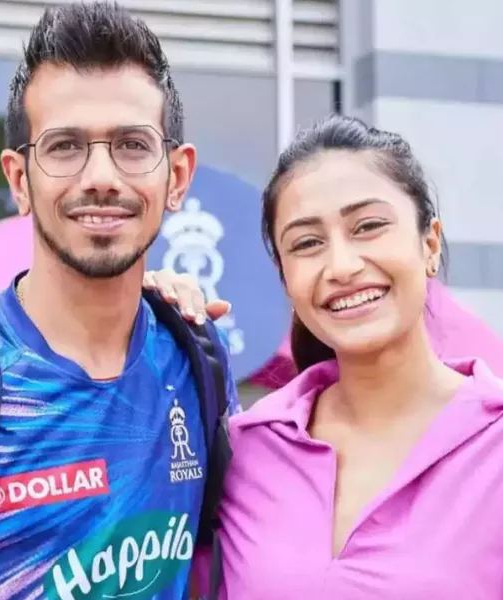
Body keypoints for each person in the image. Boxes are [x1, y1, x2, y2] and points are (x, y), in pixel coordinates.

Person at [0, 3, 239, 599]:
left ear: (178, 176)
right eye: (64, 146)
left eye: (132, 144)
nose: (101, 176)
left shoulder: (196, 360)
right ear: (19, 180)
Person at [150, 115, 503, 599]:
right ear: (285, 276)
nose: (341, 266)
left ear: (430, 243)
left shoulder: (492, 443)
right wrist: (139, 315)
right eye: (307, 243)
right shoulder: (246, 449)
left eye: (369, 226)